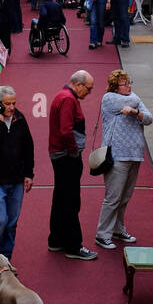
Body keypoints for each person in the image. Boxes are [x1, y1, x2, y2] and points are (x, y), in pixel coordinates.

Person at [95, 69, 152, 248]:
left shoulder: (131, 98)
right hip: (117, 155)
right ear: (115, 87)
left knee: (125, 196)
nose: (129, 86)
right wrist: (137, 106)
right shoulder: (109, 99)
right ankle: (102, 234)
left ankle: (118, 230)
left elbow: (149, 118)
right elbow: (132, 101)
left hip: (134, 154)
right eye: (124, 84)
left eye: (129, 82)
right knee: (113, 196)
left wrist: (135, 112)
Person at [0, 85, 34, 262]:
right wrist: (1, 123)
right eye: (7, 104)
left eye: (14, 103)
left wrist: (29, 174)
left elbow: (28, 147)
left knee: (11, 223)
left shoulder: (20, 118)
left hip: (16, 180)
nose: (11, 107)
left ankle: (5, 258)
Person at [47, 70, 97, 260]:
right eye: (88, 89)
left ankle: (56, 240)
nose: (89, 93)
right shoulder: (68, 99)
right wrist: (74, 150)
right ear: (78, 85)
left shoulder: (63, 96)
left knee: (60, 197)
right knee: (71, 200)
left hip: (59, 154)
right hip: (66, 156)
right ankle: (73, 246)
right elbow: (66, 130)